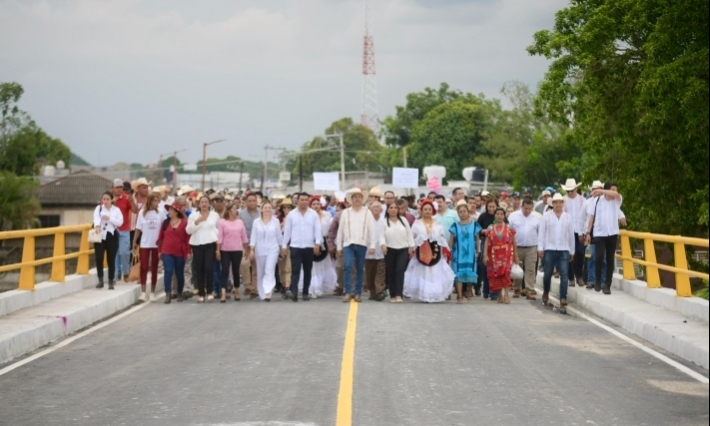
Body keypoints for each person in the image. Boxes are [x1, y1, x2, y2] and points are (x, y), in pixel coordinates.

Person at [403, 200, 455, 303]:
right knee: (423, 272)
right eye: (425, 209)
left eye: (429, 209)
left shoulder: (438, 223)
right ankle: (424, 295)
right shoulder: (416, 223)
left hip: (435, 252)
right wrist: (416, 243)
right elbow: (412, 238)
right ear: (421, 211)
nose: (427, 211)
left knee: (435, 272)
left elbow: (442, 237)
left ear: (433, 211)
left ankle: (435, 295)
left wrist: (445, 249)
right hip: (421, 252)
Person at [337, 189, 377, 303]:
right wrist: (339, 247)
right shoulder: (346, 212)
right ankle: (348, 292)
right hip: (348, 244)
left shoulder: (367, 212)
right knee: (348, 266)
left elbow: (371, 230)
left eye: (359, 197)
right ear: (351, 199)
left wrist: (372, 245)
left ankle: (358, 293)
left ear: (362, 199)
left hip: (362, 243)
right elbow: (340, 230)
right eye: (355, 197)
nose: (357, 199)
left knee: (360, 268)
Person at [281, 193, 323, 302]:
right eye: (302, 200)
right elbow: (287, 231)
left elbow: (317, 230)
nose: (304, 202)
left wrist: (317, 243)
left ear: (308, 201)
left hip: (309, 247)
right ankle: (294, 293)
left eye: (306, 200)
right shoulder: (291, 214)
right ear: (297, 201)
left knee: (307, 271)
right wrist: (284, 246)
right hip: (295, 246)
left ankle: (305, 293)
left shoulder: (313, 214)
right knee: (295, 271)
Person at [538, 193, 576, 310]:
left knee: (564, 274)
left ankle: (563, 298)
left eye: (560, 202)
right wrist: (540, 248)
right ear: (552, 204)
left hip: (564, 249)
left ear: (563, 204)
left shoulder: (568, 217)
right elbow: (541, 233)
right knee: (548, 274)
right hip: (549, 249)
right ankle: (545, 292)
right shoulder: (546, 216)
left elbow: (571, 235)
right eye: (556, 202)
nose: (558, 205)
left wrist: (572, 250)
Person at [585, 182, 623, 295]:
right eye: (612, 190)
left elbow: (616, 195)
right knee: (599, 257)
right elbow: (591, 218)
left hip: (612, 233)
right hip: (599, 233)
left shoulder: (617, 201)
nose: (614, 192)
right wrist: (588, 232)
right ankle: (597, 279)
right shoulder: (597, 201)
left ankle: (607, 285)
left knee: (610, 260)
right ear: (607, 190)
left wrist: (601, 191)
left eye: (615, 190)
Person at [186, 196, 220, 303]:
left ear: (209, 204)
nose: (204, 204)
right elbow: (188, 231)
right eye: (202, 202)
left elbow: (218, 229)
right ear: (198, 204)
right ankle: (201, 293)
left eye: (206, 202)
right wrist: (197, 221)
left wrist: (218, 246)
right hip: (197, 244)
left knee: (209, 268)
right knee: (199, 268)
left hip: (210, 243)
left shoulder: (215, 215)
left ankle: (209, 292)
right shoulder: (193, 215)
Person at [302, 196, 337, 298]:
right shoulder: (307, 216)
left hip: (324, 242)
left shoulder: (327, 215)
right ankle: (312, 288)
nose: (316, 206)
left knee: (324, 265)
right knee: (313, 266)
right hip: (311, 242)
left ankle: (320, 286)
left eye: (318, 204)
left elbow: (330, 230)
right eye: (314, 204)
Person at [380, 202, 415, 303]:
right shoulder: (384, 222)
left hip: (403, 249)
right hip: (389, 249)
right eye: (391, 207)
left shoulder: (403, 220)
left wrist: (411, 247)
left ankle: (399, 294)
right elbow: (381, 235)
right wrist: (383, 245)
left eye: (396, 208)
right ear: (387, 210)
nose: (393, 209)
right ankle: (393, 294)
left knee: (400, 271)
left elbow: (409, 234)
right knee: (391, 272)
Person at [449, 200, 482, 303]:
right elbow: (451, 240)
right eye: (460, 212)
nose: (463, 213)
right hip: (458, 254)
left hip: (471, 254)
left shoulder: (475, 225)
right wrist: (448, 251)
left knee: (470, 273)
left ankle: (468, 290)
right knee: (458, 273)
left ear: (468, 212)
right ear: (458, 214)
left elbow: (477, 239)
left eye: (464, 211)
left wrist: (478, 251)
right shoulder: (454, 226)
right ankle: (459, 296)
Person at [482, 208, 518, 305]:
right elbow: (487, 242)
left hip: (507, 254)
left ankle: (506, 294)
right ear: (494, 215)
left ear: (504, 215)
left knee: (506, 273)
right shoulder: (490, 228)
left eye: (501, 214)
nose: (499, 216)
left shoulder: (509, 227)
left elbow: (514, 242)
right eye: (497, 214)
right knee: (496, 274)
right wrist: (485, 255)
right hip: (494, 255)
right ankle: (499, 295)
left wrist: (516, 256)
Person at [157, 202, 190, 303]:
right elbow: (160, 238)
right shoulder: (165, 223)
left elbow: (187, 239)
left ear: (176, 212)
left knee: (179, 273)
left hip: (180, 251)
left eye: (171, 210)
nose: (169, 212)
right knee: (168, 271)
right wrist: (159, 251)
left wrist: (188, 252)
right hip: (167, 251)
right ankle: (168, 293)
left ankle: (179, 292)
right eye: (169, 210)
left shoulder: (184, 223)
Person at [508, 197, 541, 300]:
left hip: (532, 247)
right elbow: (509, 231)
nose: (527, 211)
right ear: (522, 207)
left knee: (530, 269)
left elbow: (540, 233)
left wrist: (540, 248)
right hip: (517, 246)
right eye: (525, 208)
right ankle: (516, 288)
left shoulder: (537, 217)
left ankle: (529, 290)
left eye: (529, 209)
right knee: (517, 268)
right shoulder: (513, 216)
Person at [133, 193, 164, 302]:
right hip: (145, 243)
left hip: (157, 244)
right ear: (150, 201)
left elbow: (164, 228)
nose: (156, 203)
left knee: (154, 267)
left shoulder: (161, 213)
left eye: (157, 201)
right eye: (154, 201)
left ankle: (152, 292)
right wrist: (134, 241)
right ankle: (143, 292)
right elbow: (138, 228)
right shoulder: (142, 213)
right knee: (144, 267)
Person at [217, 201, 249, 303]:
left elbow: (244, 236)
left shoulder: (240, 222)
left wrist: (246, 248)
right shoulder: (222, 222)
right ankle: (223, 292)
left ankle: (236, 289)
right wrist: (217, 250)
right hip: (225, 250)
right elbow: (220, 237)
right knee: (225, 270)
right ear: (230, 210)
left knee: (236, 271)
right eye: (235, 209)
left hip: (237, 249)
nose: (237, 211)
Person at [250, 203, 282, 301]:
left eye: (269, 208)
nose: (267, 209)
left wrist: (282, 248)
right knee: (261, 271)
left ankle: (268, 292)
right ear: (262, 209)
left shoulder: (275, 221)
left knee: (269, 269)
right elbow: (253, 237)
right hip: (260, 249)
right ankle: (262, 293)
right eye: (265, 208)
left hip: (273, 248)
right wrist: (251, 250)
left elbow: (279, 236)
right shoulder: (256, 222)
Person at [93, 191, 123, 290]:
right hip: (100, 235)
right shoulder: (99, 208)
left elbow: (120, 222)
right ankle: (100, 280)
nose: (105, 201)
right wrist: (97, 225)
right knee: (99, 257)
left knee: (111, 259)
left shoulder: (116, 210)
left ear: (111, 200)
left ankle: (111, 280)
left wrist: (109, 218)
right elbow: (96, 217)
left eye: (107, 199)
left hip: (111, 235)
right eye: (104, 199)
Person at [112, 179, 138, 283]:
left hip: (124, 230)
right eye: (117, 187)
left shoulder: (126, 198)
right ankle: (113, 277)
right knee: (113, 254)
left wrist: (132, 201)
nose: (119, 190)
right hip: (112, 231)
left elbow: (135, 211)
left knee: (124, 253)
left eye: (120, 188)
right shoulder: (108, 198)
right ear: (112, 188)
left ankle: (126, 272)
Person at [562, 178, 586, 287]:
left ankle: (579, 276)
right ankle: (571, 278)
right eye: (568, 191)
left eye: (572, 190)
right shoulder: (562, 201)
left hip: (579, 231)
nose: (570, 193)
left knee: (580, 253)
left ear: (576, 189)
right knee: (568, 255)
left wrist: (584, 232)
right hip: (567, 232)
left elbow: (586, 217)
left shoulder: (583, 200)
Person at [239, 193, 260, 299]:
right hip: (245, 244)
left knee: (257, 267)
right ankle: (247, 285)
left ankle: (254, 289)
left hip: (259, 244)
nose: (252, 202)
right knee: (245, 264)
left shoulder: (261, 213)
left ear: (257, 202)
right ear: (246, 202)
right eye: (249, 201)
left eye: (254, 200)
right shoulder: (241, 214)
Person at [477, 199, 499, 300]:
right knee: (486, 267)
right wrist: (484, 231)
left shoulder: (500, 215)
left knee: (497, 269)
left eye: (493, 206)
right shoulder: (483, 216)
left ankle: (494, 291)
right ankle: (486, 290)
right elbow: (477, 230)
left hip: (498, 245)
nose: (491, 209)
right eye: (489, 206)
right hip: (486, 242)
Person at [365, 201, 387, 301]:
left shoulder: (384, 220)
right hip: (369, 251)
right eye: (374, 207)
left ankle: (379, 291)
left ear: (381, 209)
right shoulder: (366, 220)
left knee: (381, 271)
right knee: (370, 273)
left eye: (378, 207)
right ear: (370, 209)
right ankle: (373, 291)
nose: (377, 208)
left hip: (381, 251)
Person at [277, 198, 294, 296]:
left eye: (289, 207)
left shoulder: (294, 218)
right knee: (281, 267)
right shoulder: (278, 219)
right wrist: (281, 224)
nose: (287, 209)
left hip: (290, 244)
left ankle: (287, 286)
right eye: (285, 207)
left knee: (288, 266)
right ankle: (283, 285)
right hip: (280, 244)